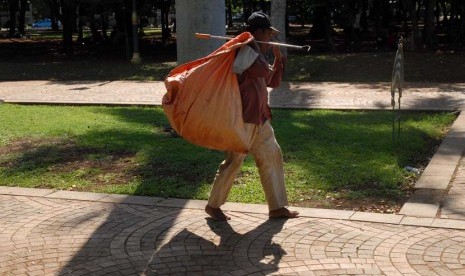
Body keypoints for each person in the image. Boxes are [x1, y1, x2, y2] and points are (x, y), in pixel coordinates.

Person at [205, 11, 299, 221]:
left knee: (272, 155)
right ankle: (213, 205)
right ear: (258, 32)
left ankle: (277, 207)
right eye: (268, 35)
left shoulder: (256, 54)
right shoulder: (244, 53)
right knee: (234, 162)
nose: (270, 39)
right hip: (243, 120)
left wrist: (277, 57)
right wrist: (264, 53)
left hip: (261, 118)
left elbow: (271, 82)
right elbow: (261, 71)